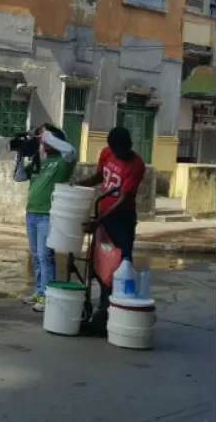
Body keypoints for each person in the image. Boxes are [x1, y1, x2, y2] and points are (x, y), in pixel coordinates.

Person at [75, 126, 146, 310]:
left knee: (121, 263)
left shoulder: (137, 165)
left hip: (122, 219)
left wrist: (99, 221)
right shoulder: (107, 153)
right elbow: (99, 176)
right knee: (97, 260)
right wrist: (80, 185)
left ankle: (112, 306)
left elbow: (124, 198)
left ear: (129, 145)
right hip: (103, 214)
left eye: (123, 150)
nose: (119, 154)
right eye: (116, 150)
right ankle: (97, 302)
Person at [13, 123, 78, 312]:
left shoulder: (63, 160)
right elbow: (18, 177)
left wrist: (46, 135)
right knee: (36, 256)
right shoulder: (38, 161)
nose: (42, 142)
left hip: (48, 215)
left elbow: (71, 150)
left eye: (45, 138)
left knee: (45, 256)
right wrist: (19, 154)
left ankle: (47, 295)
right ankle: (39, 291)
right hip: (31, 213)